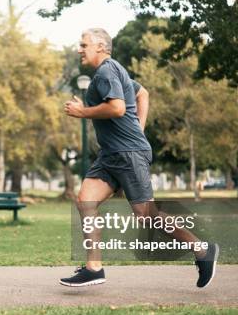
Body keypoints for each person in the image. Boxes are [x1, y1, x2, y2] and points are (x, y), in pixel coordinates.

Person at [60, 28, 219, 288]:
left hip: (129, 154)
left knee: (147, 216)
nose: (79, 49)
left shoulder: (107, 71)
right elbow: (142, 93)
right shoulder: (110, 71)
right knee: (85, 201)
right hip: (111, 154)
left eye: (84, 44)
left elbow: (117, 107)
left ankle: (202, 250)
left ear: (101, 46)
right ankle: (94, 268)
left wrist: (83, 112)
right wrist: (138, 128)